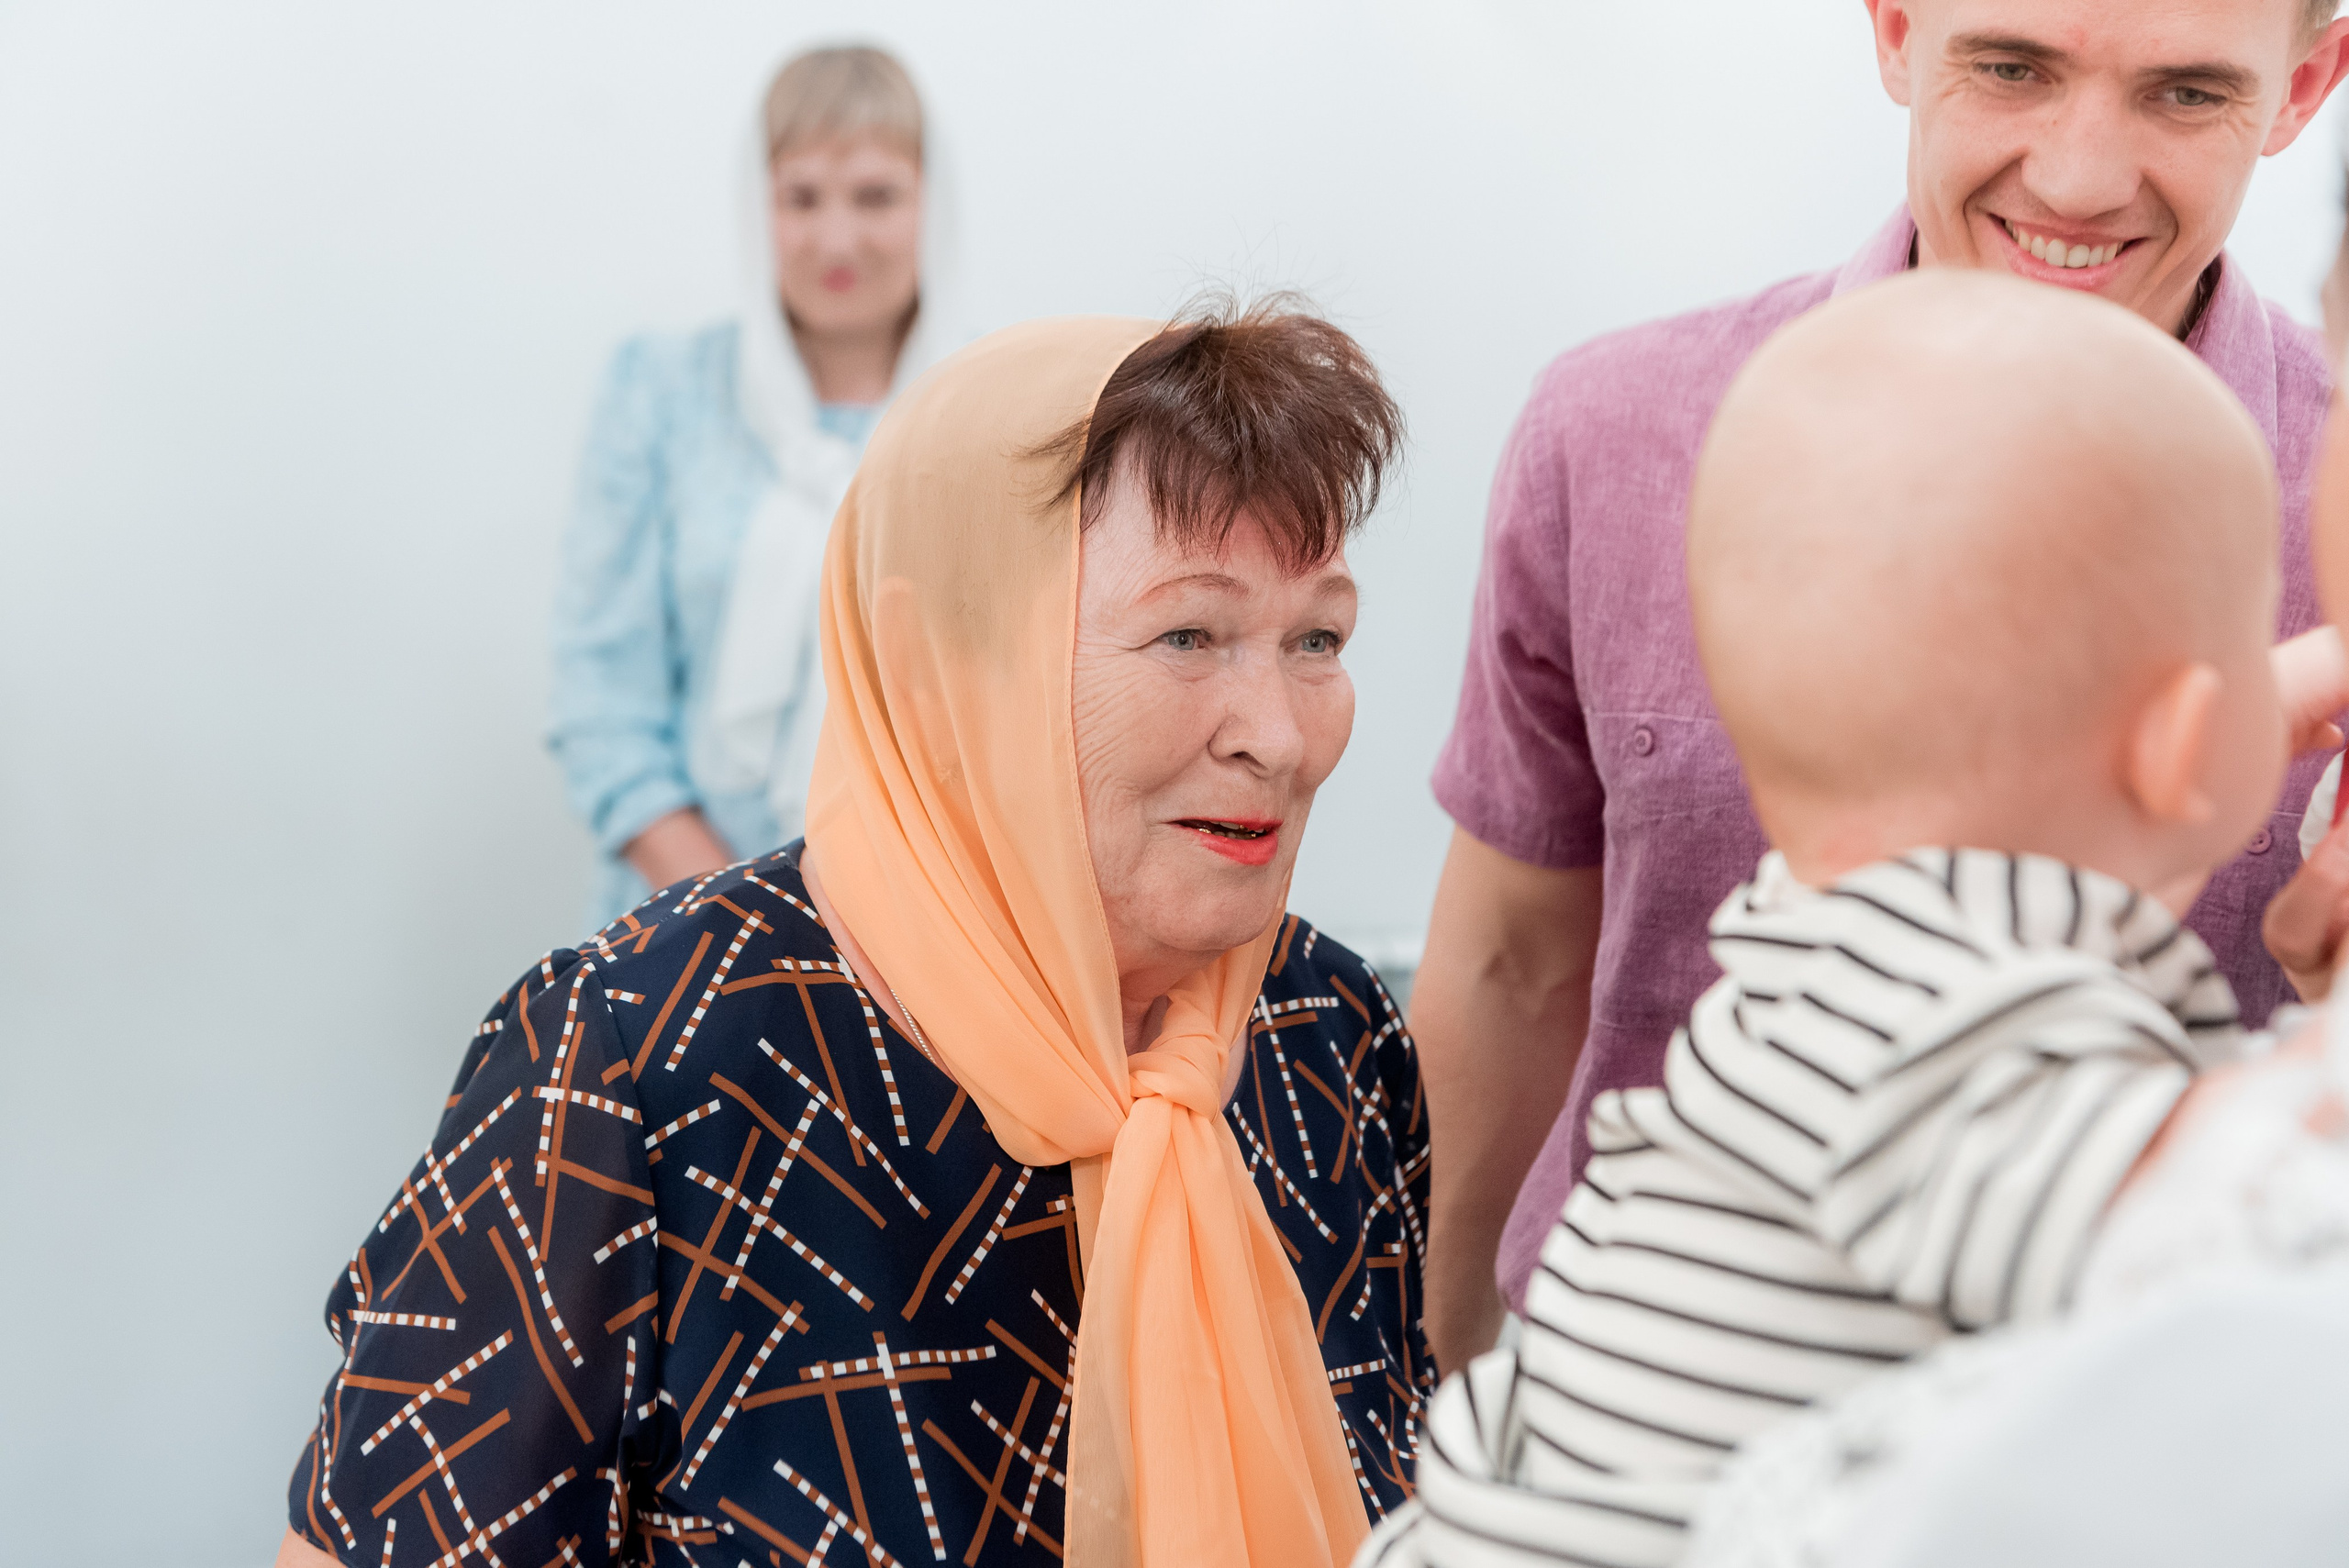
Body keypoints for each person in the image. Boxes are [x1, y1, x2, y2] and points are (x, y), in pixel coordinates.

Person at [277, 304, 1429, 1568]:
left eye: (1316, 638)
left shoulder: (1327, 1042)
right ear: (944, 664)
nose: (1277, 730)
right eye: (1188, 636)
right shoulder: (636, 1060)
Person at [1413, 0, 2349, 1374]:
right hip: (1620, 1431)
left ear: (2304, 83)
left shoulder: (2336, 497)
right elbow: (1510, 961)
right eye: (2013, 68)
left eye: (2184, 95)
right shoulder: (1609, 434)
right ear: (1899, 29)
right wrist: (1439, 1386)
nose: (2080, 177)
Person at [1364, 270, 2337, 1567]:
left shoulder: (1816, 956)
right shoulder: (1958, 1025)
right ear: (2184, 743)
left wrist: (2199, 740)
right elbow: (2220, 1191)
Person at [551, 46, 959, 929]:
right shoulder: (662, 392)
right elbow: (601, 700)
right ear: (757, 206)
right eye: (802, 196)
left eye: (876, 195)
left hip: (927, 943)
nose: (837, 238)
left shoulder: (995, 418)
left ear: (933, 202)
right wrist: (755, 921)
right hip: (683, 931)